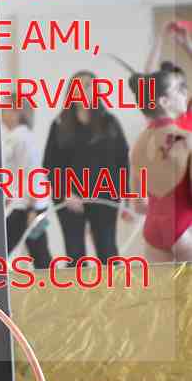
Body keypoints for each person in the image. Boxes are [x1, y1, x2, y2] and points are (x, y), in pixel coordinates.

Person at [43, 70, 130, 265]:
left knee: (108, 251)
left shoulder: (109, 122)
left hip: (105, 195)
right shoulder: (59, 125)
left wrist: (127, 198)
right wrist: (65, 193)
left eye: (89, 85)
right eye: (79, 85)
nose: (84, 89)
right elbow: (50, 165)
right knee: (75, 255)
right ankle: (78, 286)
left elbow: (123, 161)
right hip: (70, 199)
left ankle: (112, 286)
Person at [129, 62, 192, 262]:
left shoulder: (137, 146)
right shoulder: (187, 139)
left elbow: (139, 205)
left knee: (161, 285)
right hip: (183, 227)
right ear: (164, 101)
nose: (185, 93)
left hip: (153, 230)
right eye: (179, 89)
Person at [1, 97, 52, 267]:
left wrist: (33, 209)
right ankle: (54, 283)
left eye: (5, 107)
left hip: (27, 207)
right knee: (41, 255)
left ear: (17, 112)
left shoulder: (21, 138)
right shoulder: (18, 137)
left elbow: (33, 173)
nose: (1, 112)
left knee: (1, 249)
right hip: (28, 205)